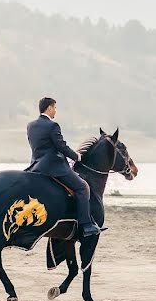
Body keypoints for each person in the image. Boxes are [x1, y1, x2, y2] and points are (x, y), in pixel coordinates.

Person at [25, 97, 100, 237]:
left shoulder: (30, 125)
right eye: (54, 108)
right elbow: (61, 146)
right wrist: (76, 156)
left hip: (36, 166)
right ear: (49, 108)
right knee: (82, 187)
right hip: (54, 167)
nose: (55, 111)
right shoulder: (52, 126)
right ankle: (87, 225)